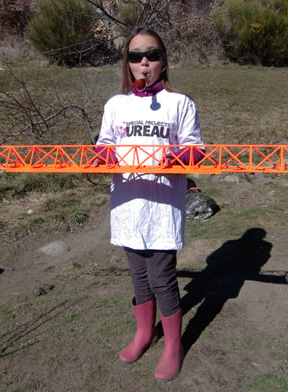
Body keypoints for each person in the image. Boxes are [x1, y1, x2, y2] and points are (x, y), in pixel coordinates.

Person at [94, 27, 205, 381]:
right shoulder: (116, 105)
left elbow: (195, 148)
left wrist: (177, 159)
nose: (144, 62)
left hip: (161, 207)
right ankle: (145, 331)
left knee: (161, 276)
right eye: (136, 55)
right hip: (127, 204)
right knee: (138, 276)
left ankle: (173, 342)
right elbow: (105, 143)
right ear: (126, 63)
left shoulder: (181, 103)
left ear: (163, 61)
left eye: (152, 55)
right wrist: (100, 156)